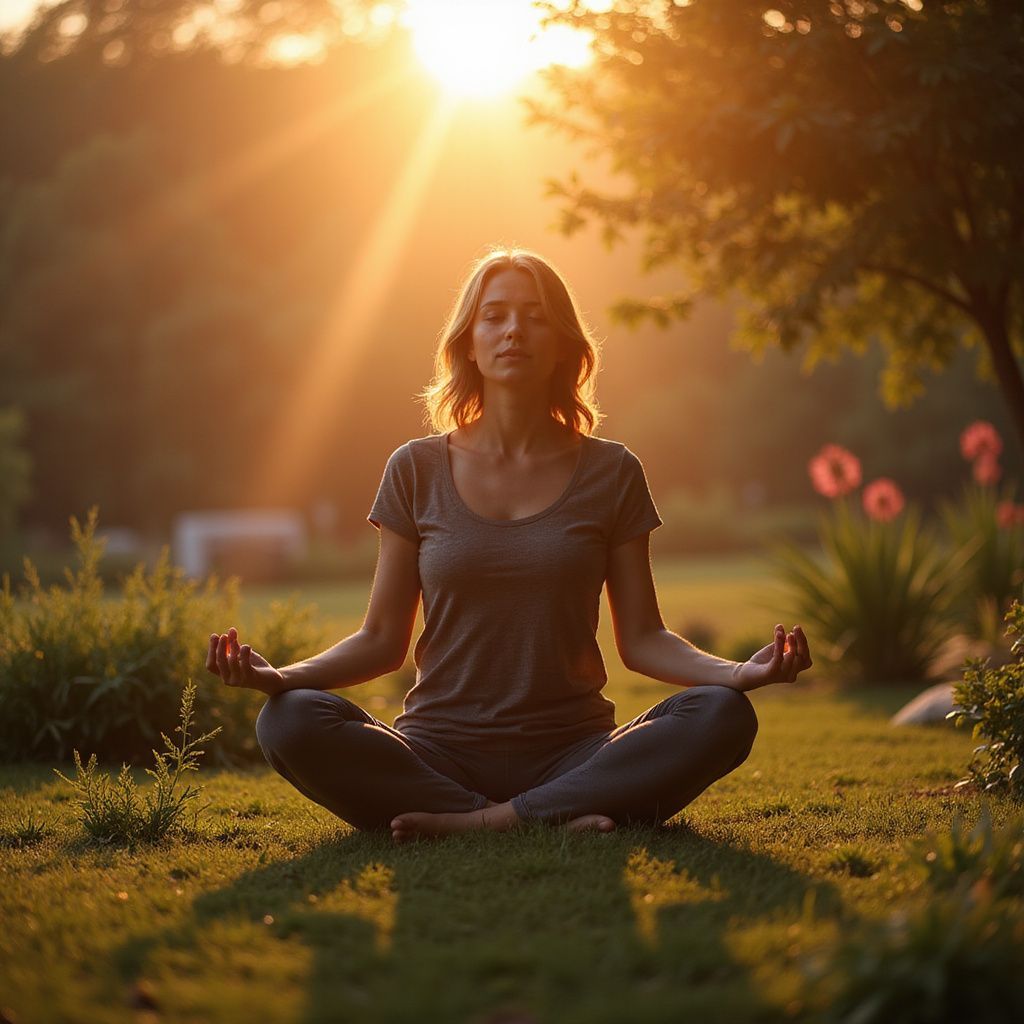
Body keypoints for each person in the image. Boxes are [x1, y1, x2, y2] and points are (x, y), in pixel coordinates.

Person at [206, 247, 812, 843]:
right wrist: (281, 676)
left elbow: (644, 640)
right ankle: (546, 816)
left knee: (721, 714)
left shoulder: (613, 471)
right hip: (436, 751)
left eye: (536, 315)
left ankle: (480, 823)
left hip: (575, 752)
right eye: (495, 315)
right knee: (288, 720)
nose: (514, 330)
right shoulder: (414, 468)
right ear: (468, 340)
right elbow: (381, 641)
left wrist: (737, 672)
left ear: (564, 343)